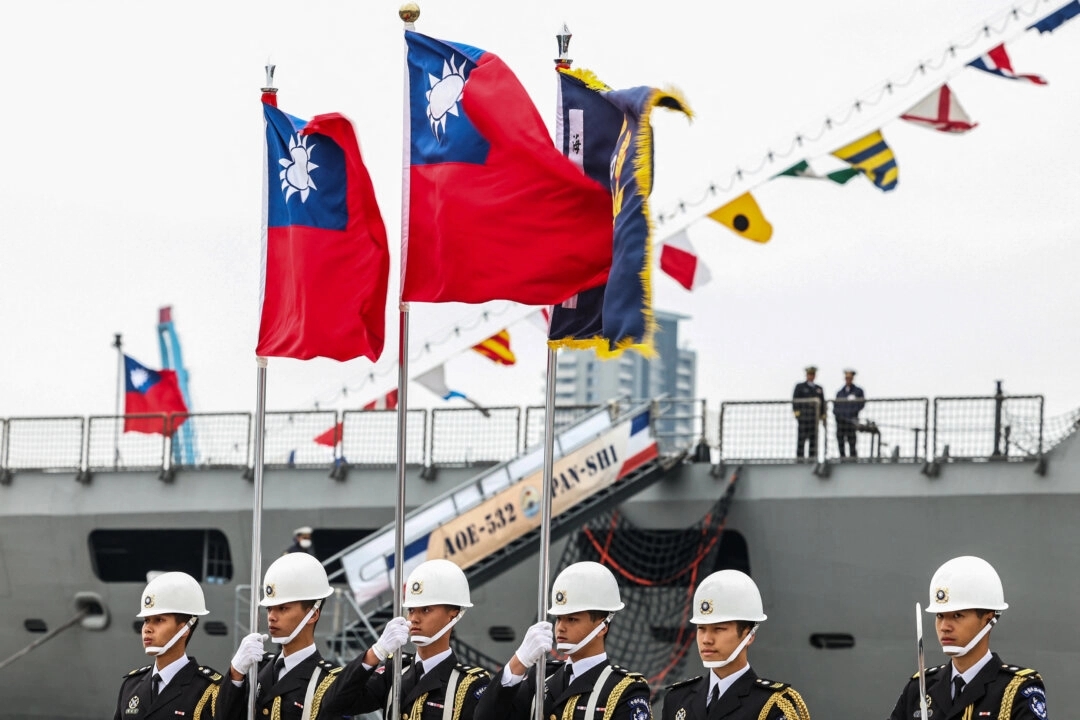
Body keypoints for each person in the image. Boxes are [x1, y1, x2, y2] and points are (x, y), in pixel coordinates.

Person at [476, 560, 651, 720]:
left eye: (572, 619)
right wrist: (519, 662)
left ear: (602, 627)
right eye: (559, 618)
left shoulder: (624, 690)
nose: (560, 627)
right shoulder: (541, 677)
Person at [887, 556, 1048, 720]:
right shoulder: (919, 688)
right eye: (940, 616)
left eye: (957, 615)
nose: (944, 627)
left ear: (988, 619)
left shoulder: (1017, 690)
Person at [218, 552, 369, 720]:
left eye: (283, 608)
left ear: (313, 614)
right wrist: (236, 673)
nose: (271, 617)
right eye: (269, 609)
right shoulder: (256, 669)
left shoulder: (329, 682)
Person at [348, 558, 491, 720]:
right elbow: (334, 704)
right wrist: (376, 651)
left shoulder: (469, 685)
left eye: (426, 610)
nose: (414, 619)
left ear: (453, 614)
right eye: (411, 610)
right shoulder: (394, 672)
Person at [662, 570, 811, 720]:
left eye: (719, 629)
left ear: (749, 635)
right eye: (701, 628)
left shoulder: (771, 704)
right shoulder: (677, 698)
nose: (706, 639)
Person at [114, 571, 226, 720]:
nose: (147, 628)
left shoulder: (208, 690)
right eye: (146, 620)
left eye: (159, 620)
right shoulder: (131, 686)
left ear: (184, 628)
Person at [792, 366, 825, 460]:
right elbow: (795, 400)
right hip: (803, 418)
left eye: (813, 374)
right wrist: (797, 414)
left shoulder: (819, 388)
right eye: (809, 374)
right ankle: (800, 459)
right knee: (801, 440)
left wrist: (823, 416)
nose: (811, 376)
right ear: (807, 375)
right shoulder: (800, 387)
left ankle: (812, 458)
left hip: (814, 419)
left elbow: (822, 403)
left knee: (813, 440)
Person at [833, 369, 865, 459]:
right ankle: (842, 457)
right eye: (847, 378)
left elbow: (861, 404)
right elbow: (836, 406)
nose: (848, 380)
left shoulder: (858, 391)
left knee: (852, 441)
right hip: (841, 421)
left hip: (851, 421)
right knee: (840, 440)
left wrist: (852, 413)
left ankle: (853, 457)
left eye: (850, 378)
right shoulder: (840, 392)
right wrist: (838, 416)